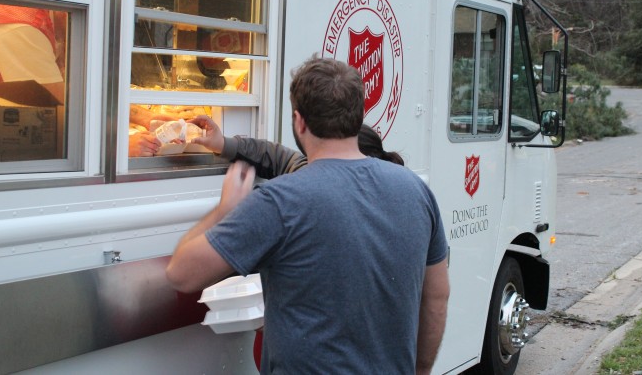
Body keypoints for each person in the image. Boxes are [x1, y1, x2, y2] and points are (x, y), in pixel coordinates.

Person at [167, 56, 450, 374]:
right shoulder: (416, 191)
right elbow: (436, 297)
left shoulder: (279, 202)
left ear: (299, 122)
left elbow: (181, 273)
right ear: (358, 118)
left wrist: (224, 211)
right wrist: (421, 369)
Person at [192, 121, 403, 179]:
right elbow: (275, 155)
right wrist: (223, 144)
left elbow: (182, 274)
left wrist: (227, 209)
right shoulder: (309, 167)